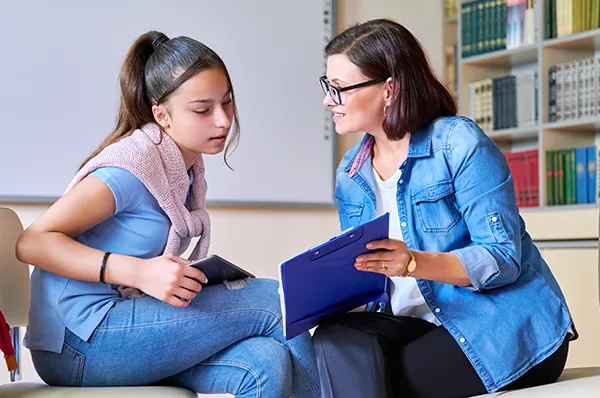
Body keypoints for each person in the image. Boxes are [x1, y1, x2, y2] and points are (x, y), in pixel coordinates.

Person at [16, 31, 319, 398]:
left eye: (227, 103)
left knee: (266, 363)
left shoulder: (185, 170)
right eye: (203, 110)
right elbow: (32, 242)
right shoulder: (128, 170)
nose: (223, 121)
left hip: (121, 328)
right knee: (276, 302)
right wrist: (140, 272)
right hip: (76, 345)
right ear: (162, 114)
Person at [313, 19, 575, 398]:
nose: (327, 100)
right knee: (333, 340)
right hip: (417, 324)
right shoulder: (350, 173)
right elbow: (373, 280)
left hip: (497, 322)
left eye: (338, 89)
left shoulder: (458, 143)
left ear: (389, 89)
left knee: (385, 376)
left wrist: (413, 262)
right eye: (327, 86)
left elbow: (502, 258)